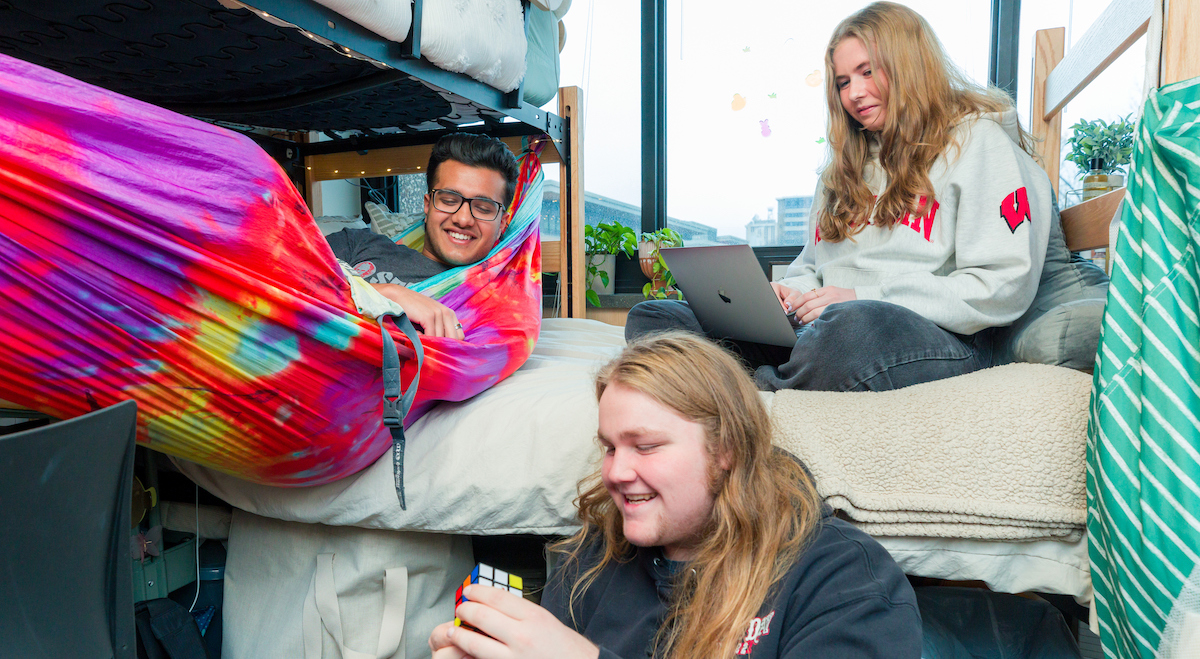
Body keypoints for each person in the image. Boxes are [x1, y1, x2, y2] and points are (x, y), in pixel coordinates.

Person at [625, 1, 1052, 393]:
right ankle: (765, 375)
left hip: (927, 334)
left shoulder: (980, 143)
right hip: (822, 329)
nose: (854, 94)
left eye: (868, 72)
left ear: (909, 66)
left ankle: (741, 388)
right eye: (843, 81)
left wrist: (864, 296)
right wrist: (787, 294)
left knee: (848, 329)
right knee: (656, 319)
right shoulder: (842, 168)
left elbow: (1002, 286)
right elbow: (812, 268)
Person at [428, 332, 922, 658]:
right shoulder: (594, 560)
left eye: (646, 446)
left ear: (725, 447)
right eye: (609, 447)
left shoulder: (844, 579)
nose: (617, 472)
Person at [325, 132, 520, 339]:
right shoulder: (357, 242)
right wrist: (388, 295)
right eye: (449, 200)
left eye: (482, 208)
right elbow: (291, 281)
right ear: (428, 206)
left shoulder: (494, 306)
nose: (463, 220)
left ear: (502, 224)